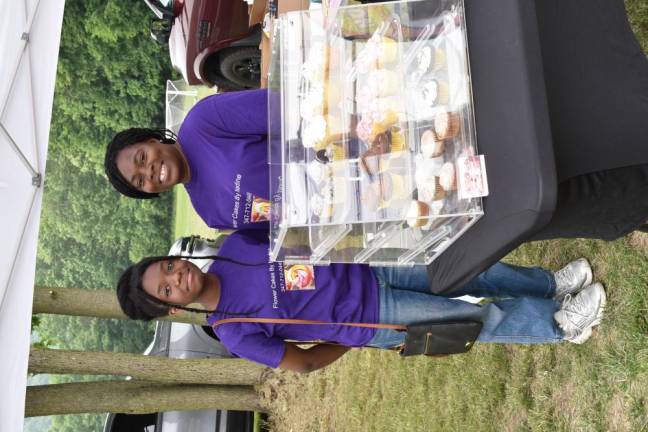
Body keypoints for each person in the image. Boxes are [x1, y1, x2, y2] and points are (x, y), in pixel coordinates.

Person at [116, 231, 606, 373]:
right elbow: (301, 366)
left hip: (372, 266)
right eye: (167, 288)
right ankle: (562, 325)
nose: (178, 276)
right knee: (474, 317)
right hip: (375, 319)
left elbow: (299, 235)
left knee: (467, 268)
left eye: (170, 267)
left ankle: (547, 285)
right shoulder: (234, 330)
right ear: (171, 309)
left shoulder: (234, 247)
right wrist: (352, 338)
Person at [104, 89, 270, 231]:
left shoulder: (204, 119)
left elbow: (282, 109)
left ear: (152, 141)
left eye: (142, 157)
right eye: (140, 181)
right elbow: (280, 225)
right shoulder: (209, 213)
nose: (148, 171)